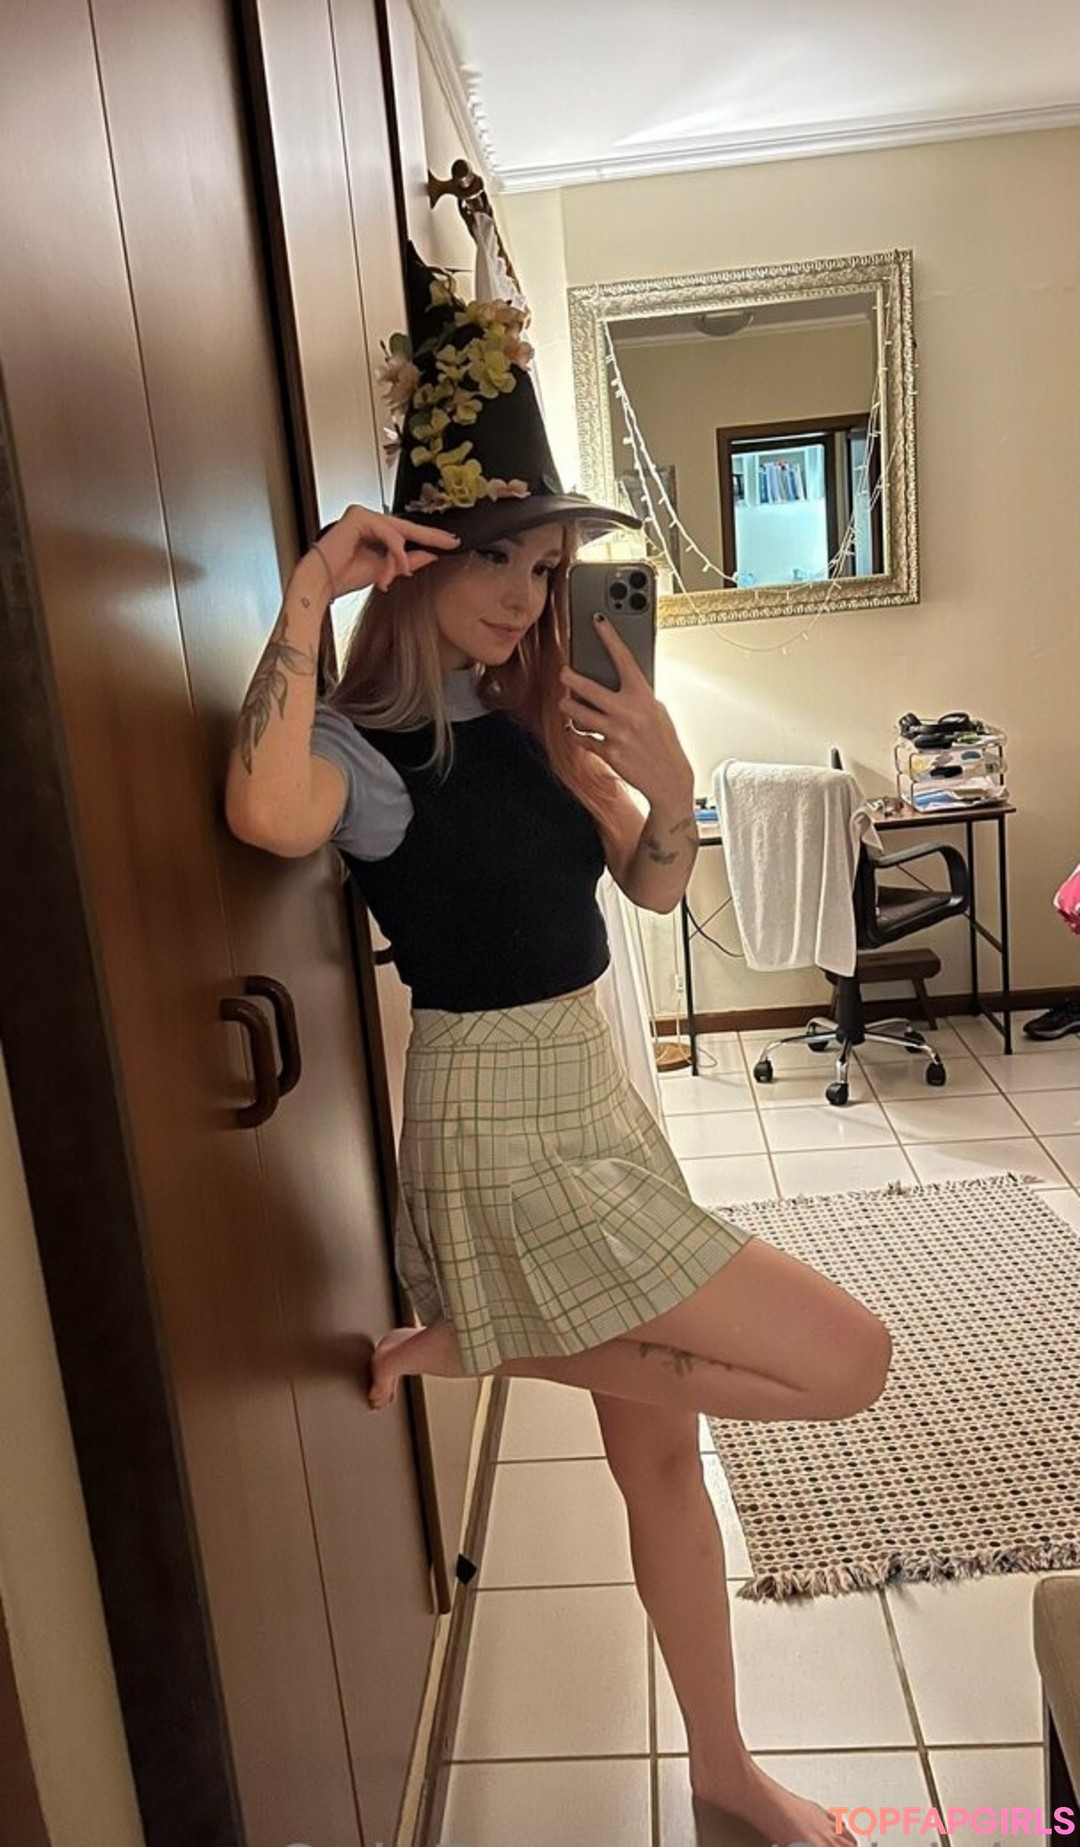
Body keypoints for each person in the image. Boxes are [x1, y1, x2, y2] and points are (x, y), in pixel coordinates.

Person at [225, 246, 888, 1847]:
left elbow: (649, 886)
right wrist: (309, 595)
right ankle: (480, 1340)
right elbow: (259, 811)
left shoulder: (532, 711)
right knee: (849, 1362)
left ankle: (723, 1769)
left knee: (659, 1463)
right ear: (416, 558)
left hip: (593, 1088)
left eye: (545, 565)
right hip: (500, 1116)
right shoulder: (364, 747)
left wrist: (670, 784)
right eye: (498, 559)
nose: (527, 594)